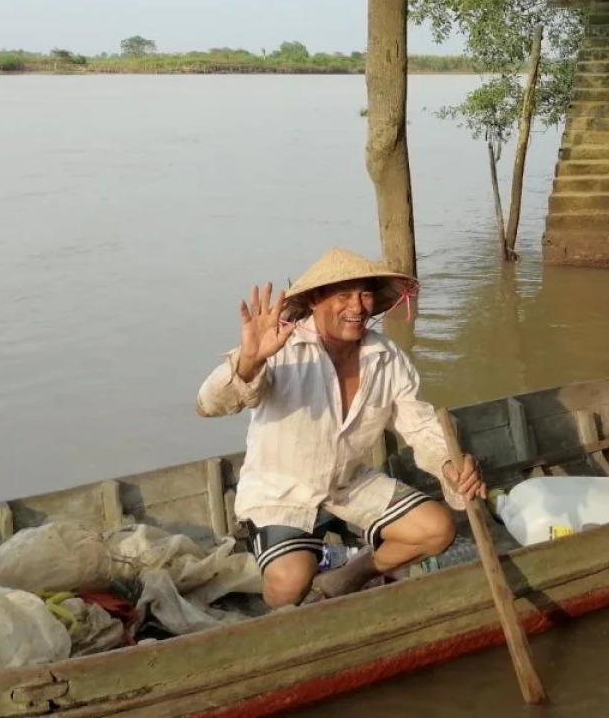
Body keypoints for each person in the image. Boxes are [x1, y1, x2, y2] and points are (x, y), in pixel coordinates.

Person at [196, 248, 485, 608]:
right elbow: (208, 405)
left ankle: (346, 577)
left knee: (437, 529)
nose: (358, 306)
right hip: (281, 492)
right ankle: (277, 619)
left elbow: (420, 424)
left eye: (364, 294)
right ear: (315, 300)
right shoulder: (282, 348)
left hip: (348, 483)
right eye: (343, 295)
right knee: (290, 583)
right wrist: (250, 360)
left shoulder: (387, 357)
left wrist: (449, 464)